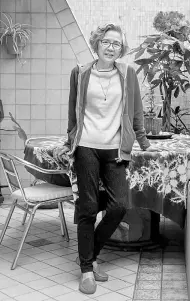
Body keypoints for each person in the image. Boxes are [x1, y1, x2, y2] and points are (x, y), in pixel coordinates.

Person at [57, 23, 157, 295]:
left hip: (115, 149)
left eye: (117, 44)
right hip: (86, 147)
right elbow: (72, 111)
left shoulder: (127, 73)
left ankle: (88, 253)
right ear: (97, 44)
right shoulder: (80, 73)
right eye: (106, 42)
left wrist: (143, 141)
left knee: (119, 206)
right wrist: (70, 140)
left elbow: (136, 111)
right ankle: (87, 269)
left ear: (121, 48)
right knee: (88, 207)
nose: (111, 47)